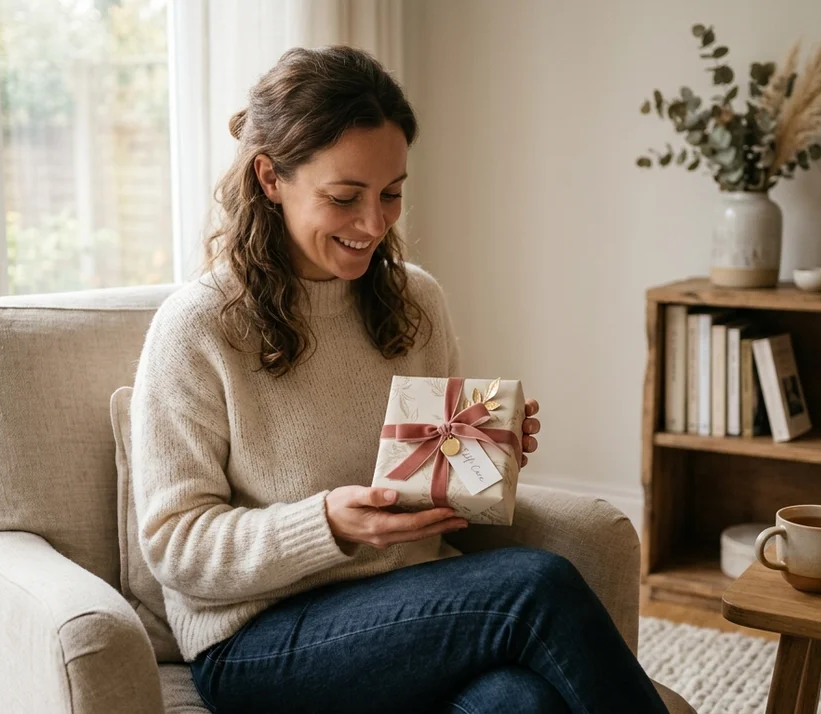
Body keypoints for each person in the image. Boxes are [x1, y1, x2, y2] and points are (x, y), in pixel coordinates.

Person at [130, 45, 668, 714]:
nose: (374, 224)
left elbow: (434, 499)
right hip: (255, 641)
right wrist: (328, 524)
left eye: (391, 194)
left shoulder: (415, 301)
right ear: (271, 178)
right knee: (539, 585)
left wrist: (484, 458)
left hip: (404, 612)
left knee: (522, 703)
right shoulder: (200, 325)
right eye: (345, 197)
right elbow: (174, 544)